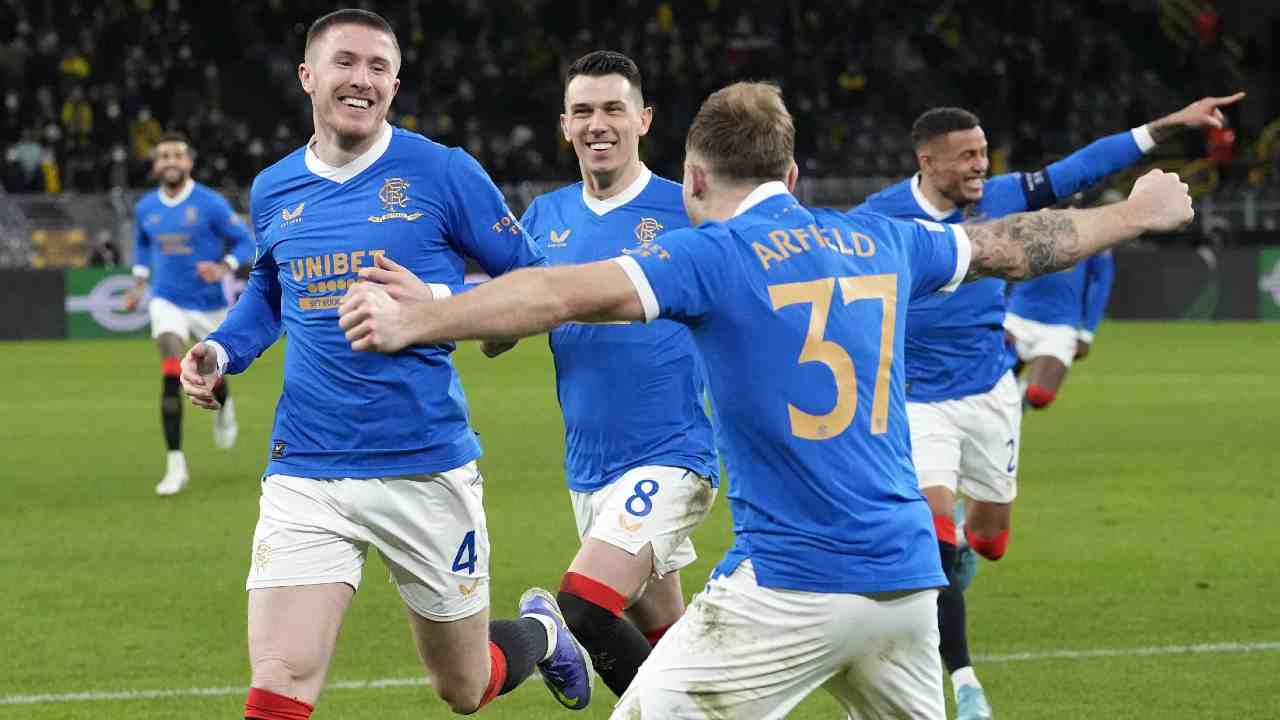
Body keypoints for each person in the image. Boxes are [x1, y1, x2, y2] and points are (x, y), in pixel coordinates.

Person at [335, 81, 1194, 719]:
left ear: (694, 179)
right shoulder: (883, 239)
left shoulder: (714, 256)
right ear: (791, 169)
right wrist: (1133, 212)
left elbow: (558, 293)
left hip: (792, 587)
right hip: (905, 586)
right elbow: (1012, 244)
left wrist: (427, 319)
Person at [177, 10, 592, 718]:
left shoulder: (444, 172)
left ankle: (543, 633)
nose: (361, 79)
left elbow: (532, 283)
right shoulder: (275, 188)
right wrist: (221, 350)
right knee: (280, 677)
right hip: (306, 466)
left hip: (424, 463)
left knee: (464, 688)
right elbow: (272, 293)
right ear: (309, 77)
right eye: (345, 62)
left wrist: (434, 301)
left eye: (378, 67)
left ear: (395, 83)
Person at [856, 92, 1242, 720]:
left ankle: (958, 571)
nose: (982, 166)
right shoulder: (881, 216)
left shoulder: (1003, 197)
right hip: (916, 403)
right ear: (927, 161)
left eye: (984, 153)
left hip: (988, 395)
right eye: (967, 157)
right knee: (933, 531)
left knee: (990, 539)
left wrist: (1166, 127)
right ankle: (965, 680)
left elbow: (1081, 169)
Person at [498, 50, 719, 698]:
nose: (599, 124)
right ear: (564, 125)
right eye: (585, 111)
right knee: (670, 641)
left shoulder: (688, 209)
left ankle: (545, 637)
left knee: (586, 606)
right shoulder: (544, 218)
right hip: (589, 467)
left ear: (643, 119)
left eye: (614, 109)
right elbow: (498, 336)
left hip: (671, 455)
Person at [125, 131, 253, 496]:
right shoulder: (146, 207)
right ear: (155, 165)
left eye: (177, 155)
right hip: (166, 300)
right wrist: (139, 283)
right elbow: (141, 244)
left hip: (208, 304)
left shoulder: (210, 203)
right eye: (163, 156)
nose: (170, 162)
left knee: (212, 374)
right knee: (170, 363)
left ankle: (225, 407)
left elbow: (244, 240)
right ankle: (175, 464)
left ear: (189, 162)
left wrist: (224, 265)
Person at [1004, 249, 1115, 407]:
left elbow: (1102, 277)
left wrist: (1087, 332)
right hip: (1015, 318)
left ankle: (1014, 400)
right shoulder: (1023, 223)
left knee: (1039, 396)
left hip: (1061, 326)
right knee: (987, 385)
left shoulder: (1094, 227)